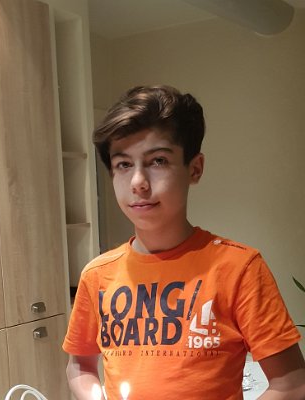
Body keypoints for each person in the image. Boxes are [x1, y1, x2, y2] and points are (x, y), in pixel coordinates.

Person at [62, 85, 305, 399]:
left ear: (195, 168)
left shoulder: (239, 269)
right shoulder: (97, 275)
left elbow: (293, 384)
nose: (138, 182)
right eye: (123, 164)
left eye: (158, 161)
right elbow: (80, 365)